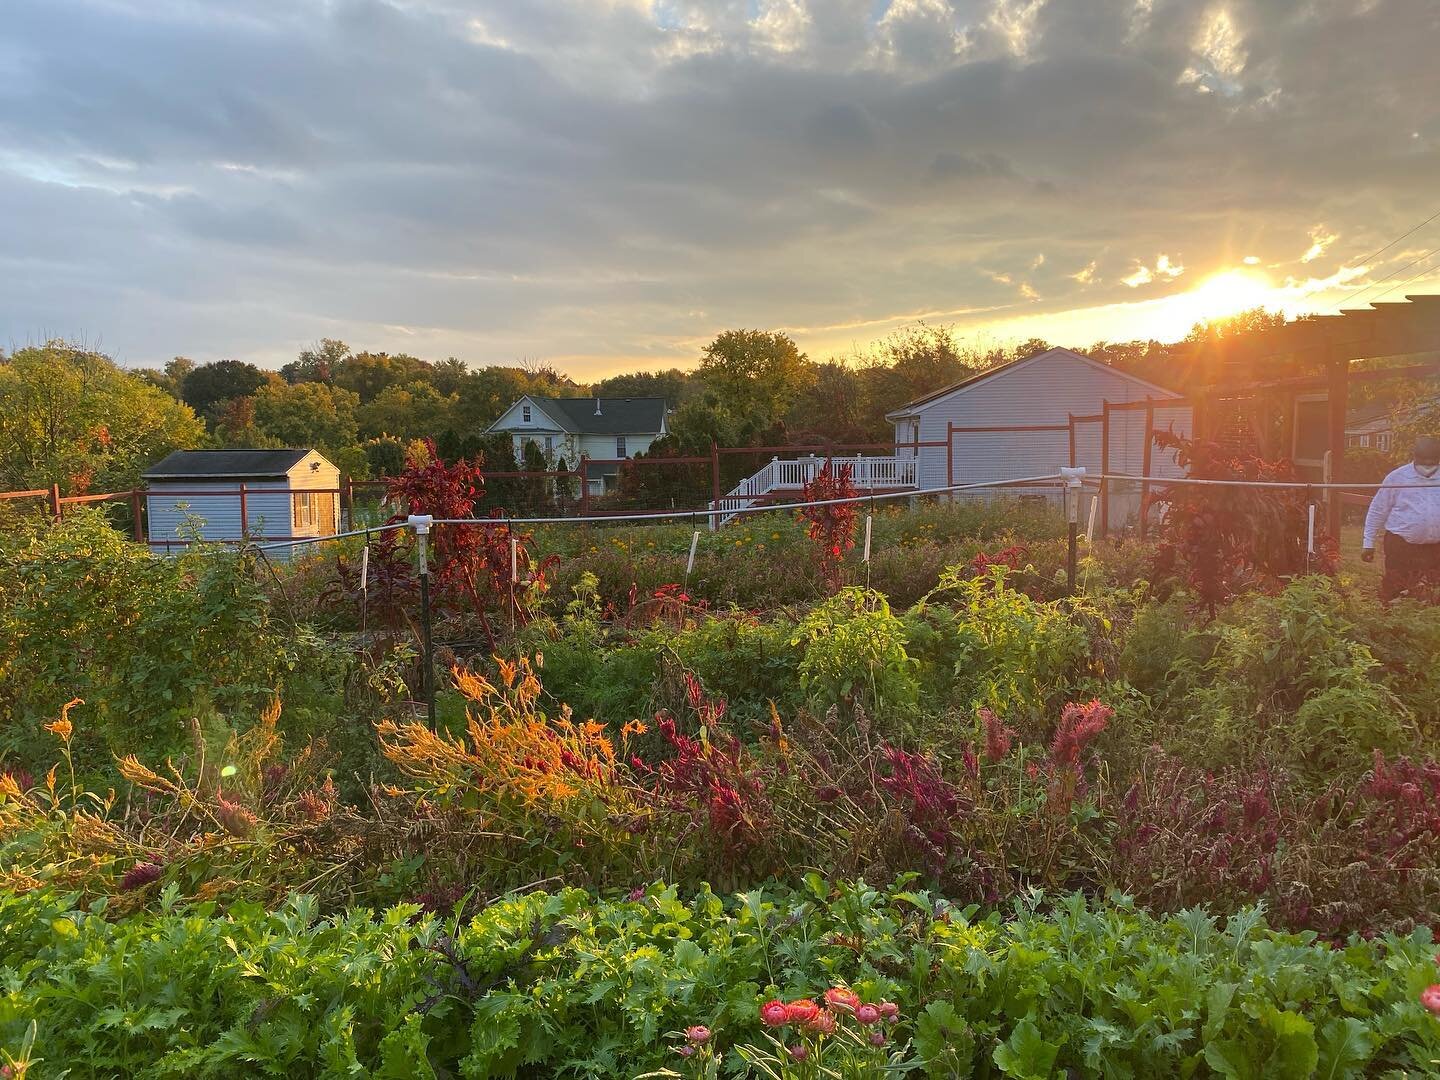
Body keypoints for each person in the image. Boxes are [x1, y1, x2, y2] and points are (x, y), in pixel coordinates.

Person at [1362, 435, 1440, 600]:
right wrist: (1368, 543)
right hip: (1401, 546)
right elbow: (1377, 510)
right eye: (1423, 462)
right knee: (1396, 591)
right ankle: (1393, 623)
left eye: (1431, 462)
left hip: (1435, 549)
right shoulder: (1397, 478)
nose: (1427, 466)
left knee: (1433, 593)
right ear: (1415, 458)